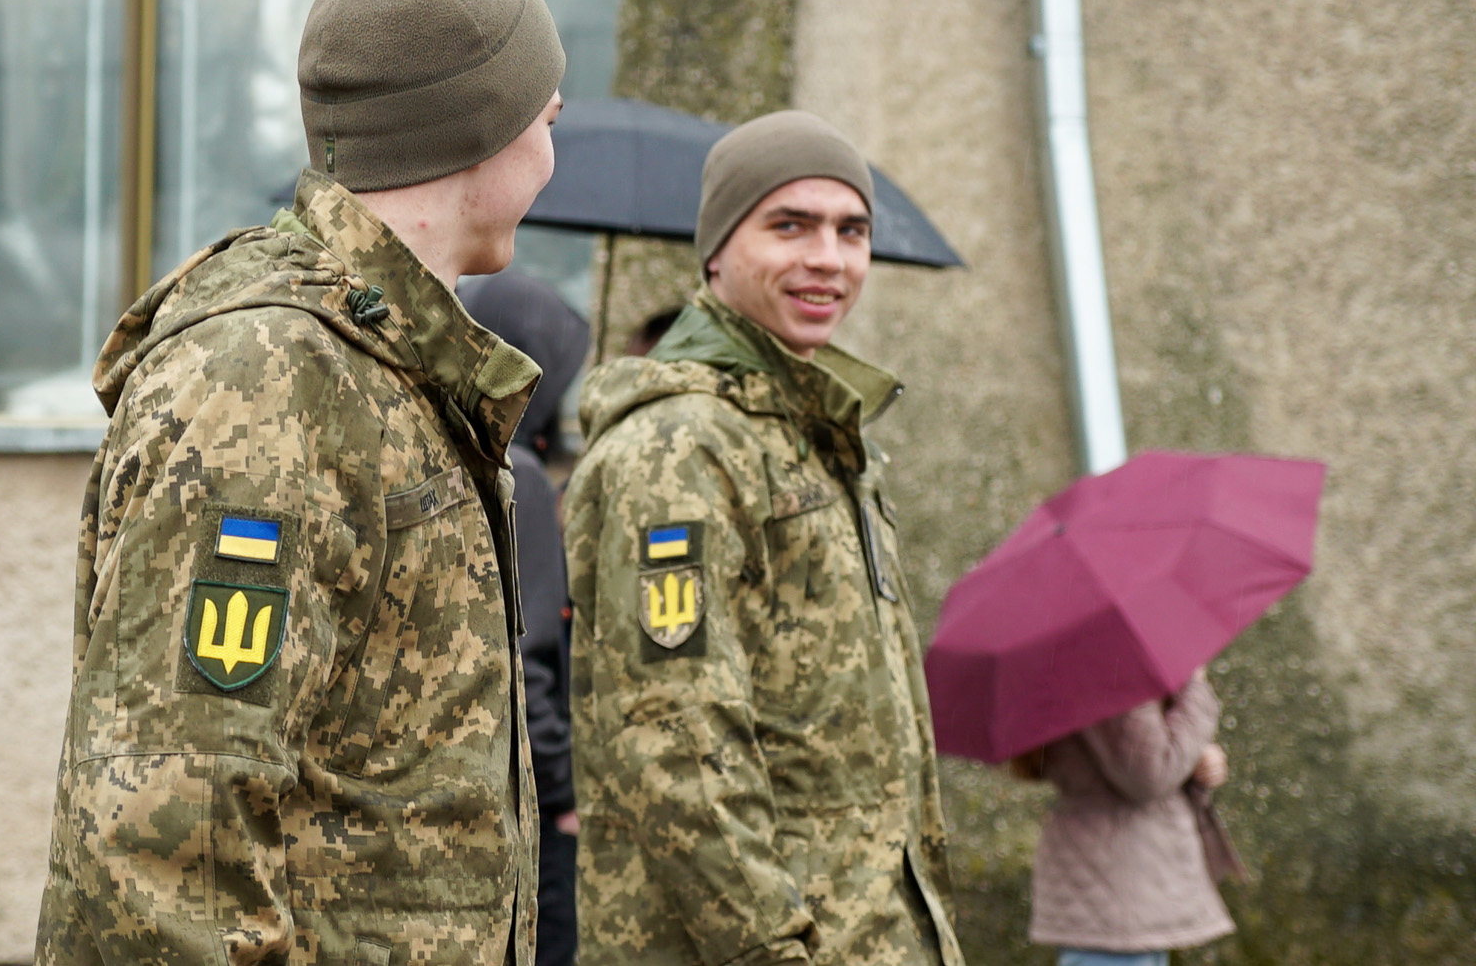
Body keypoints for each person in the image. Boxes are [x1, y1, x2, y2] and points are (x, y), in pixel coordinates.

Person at [37, 0, 565, 966]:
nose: (555, 148)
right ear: (483, 127)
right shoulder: (269, 377)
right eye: (547, 119)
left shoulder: (391, 359)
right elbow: (166, 849)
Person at [563, 109, 965, 966]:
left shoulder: (821, 434)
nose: (828, 256)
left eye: (851, 230)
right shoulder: (680, 447)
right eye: (790, 225)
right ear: (716, 251)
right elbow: (674, 739)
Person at [464, 273, 594, 966]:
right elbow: (529, 654)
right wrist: (566, 794)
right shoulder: (525, 478)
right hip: (532, 806)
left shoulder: (465, 453)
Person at [1022, 670, 1239, 966]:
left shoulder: (1084, 672)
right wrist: (1194, 688)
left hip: (1119, 882)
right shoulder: (1111, 675)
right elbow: (1150, 776)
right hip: (1118, 885)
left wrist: (1192, 761)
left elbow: (1124, 764)